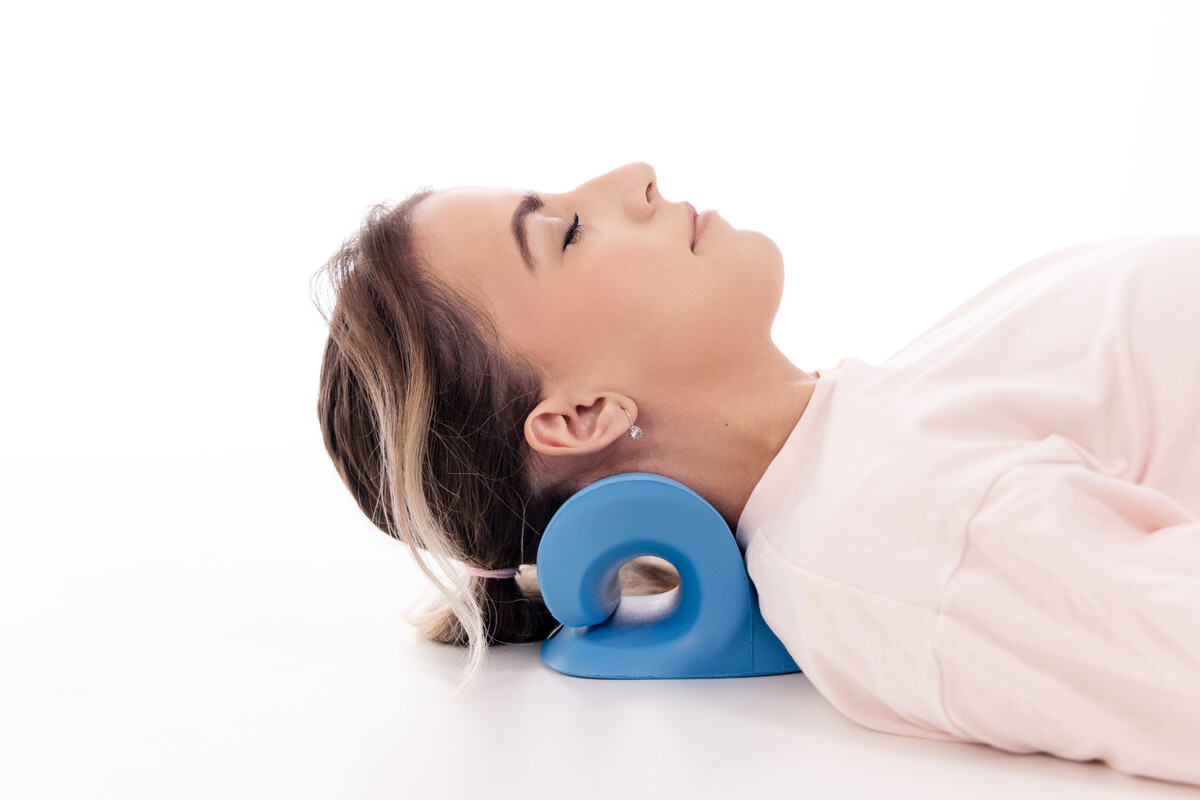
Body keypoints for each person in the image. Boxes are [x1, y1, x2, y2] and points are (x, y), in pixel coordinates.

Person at [314, 163, 1200, 786]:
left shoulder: (879, 427)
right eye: (568, 233)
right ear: (582, 417)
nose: (636, 174)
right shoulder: (905, 538)